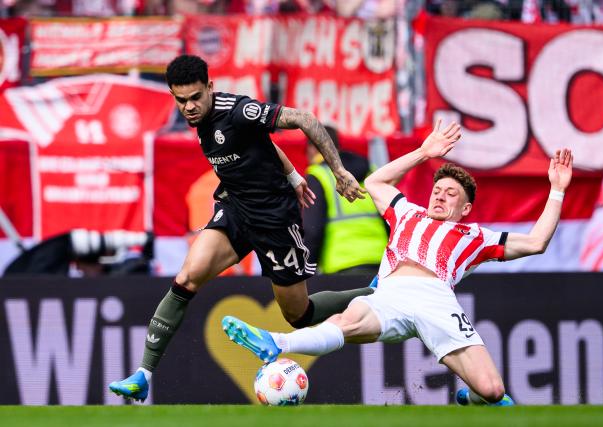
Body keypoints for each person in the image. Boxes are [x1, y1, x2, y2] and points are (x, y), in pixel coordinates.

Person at [221, 119, 574, 406]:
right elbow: (374, 181)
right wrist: (423, 152)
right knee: (347, 320)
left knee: (494, 391)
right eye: (438, 189)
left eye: (451, 194)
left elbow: (537, 241)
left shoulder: (475, 237)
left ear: (465, 209)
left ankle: (477, 397)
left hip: (436, 301)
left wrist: (557, 190)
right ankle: (276, 343)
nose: (440, 195)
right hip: (390, 293)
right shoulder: (408, 212)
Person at [109, 54, 370, 401]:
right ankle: (142, 375)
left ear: (210, 88)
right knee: (187, 277)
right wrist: (293, 174)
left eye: (195, 98)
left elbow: (305, 119)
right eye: (181, 100)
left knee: (298, 314)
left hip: (275, 218)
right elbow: (260, 143)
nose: (189, 107)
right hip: (234, 209)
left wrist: (338, 171)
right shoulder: (200, 119)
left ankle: (371, 293)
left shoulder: (238, 111)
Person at [304, 126, 388, 276]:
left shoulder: (318, 175)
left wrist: (307, 271)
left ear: (312, 148)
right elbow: (388, 216)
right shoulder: (371, 170)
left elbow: (312, 229)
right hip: (381, 262)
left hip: (341, 264)